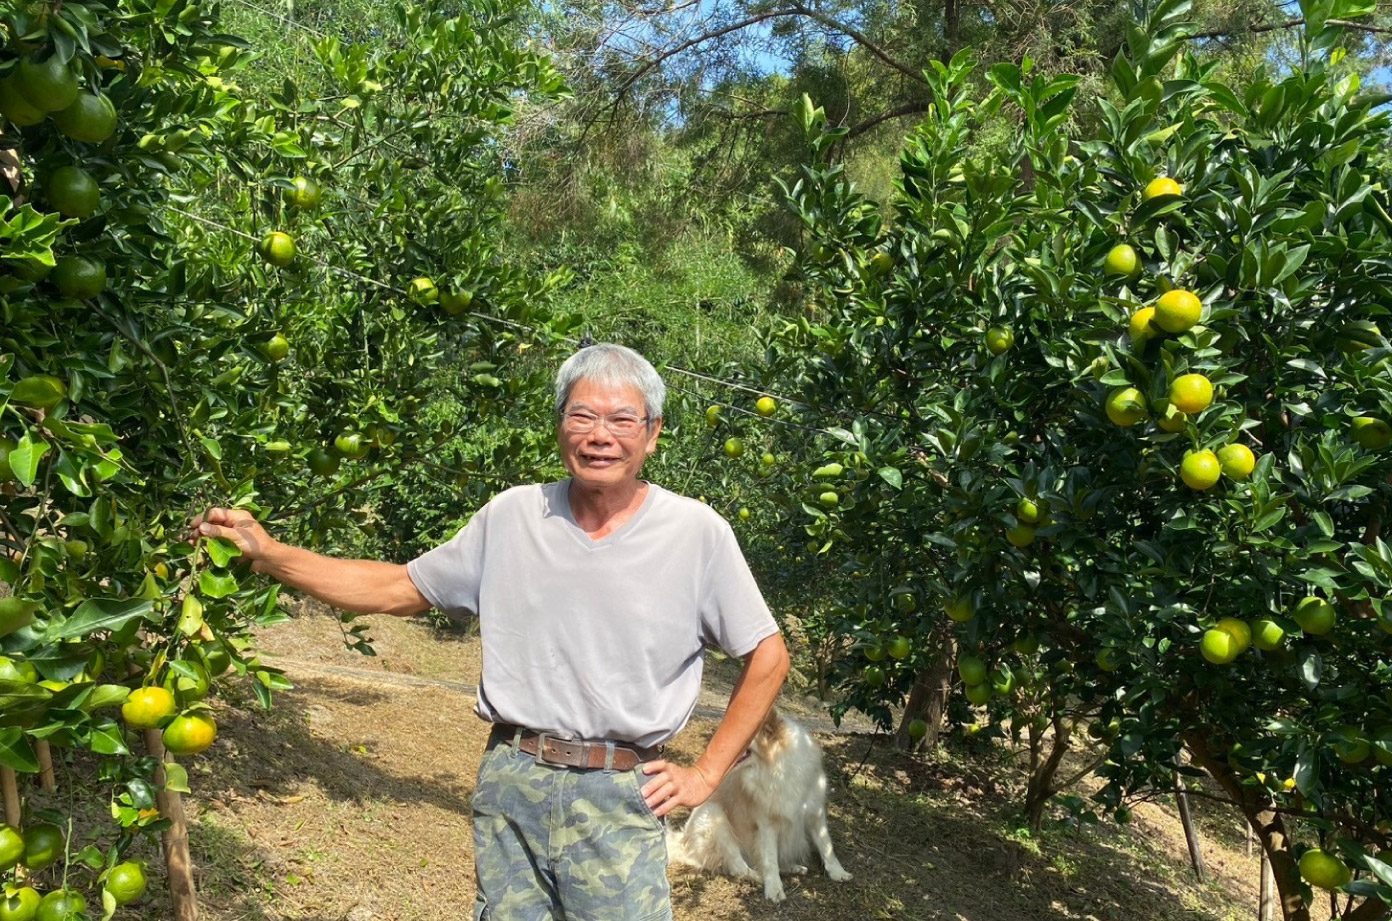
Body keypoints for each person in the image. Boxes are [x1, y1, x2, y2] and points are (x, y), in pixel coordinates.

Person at [191, 343, 790, 921]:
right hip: (512, 776)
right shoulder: (511, 517)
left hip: (621, 788)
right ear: (559, 426)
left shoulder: (695, 534)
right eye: (581, 415)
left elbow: (767, 655)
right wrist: (269, 554)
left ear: (652, 432)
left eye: (621, 420)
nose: (599, 435)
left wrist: (707, 772)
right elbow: (399, 588)